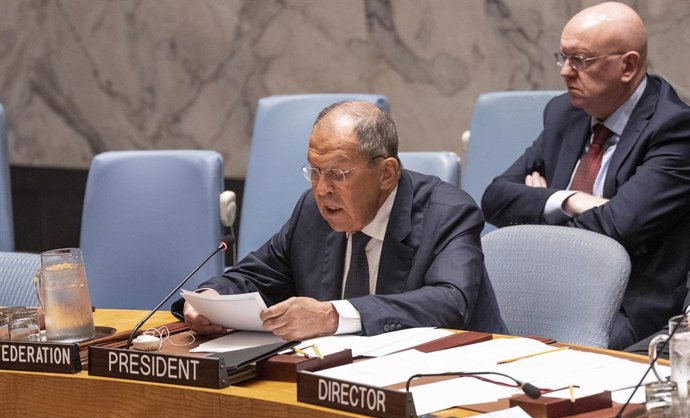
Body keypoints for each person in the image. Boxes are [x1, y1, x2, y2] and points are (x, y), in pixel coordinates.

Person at [174, 101, 507, 340]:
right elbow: (258, 274)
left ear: (386, 174)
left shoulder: (447, 213)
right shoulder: (312, 212)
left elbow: (450, 302)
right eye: (315, 171)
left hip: (451, 381)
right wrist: (211, 298)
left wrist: (334, 316)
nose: (321, 189)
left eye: (338, 174)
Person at [480, 2, 690, 350]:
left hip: (626, 306)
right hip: (547, 287)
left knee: (556, 371)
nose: (565, 71)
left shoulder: (675, 129)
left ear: (628, 65)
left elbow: (618, 227)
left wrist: (542, 210)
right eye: (562, 57)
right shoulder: (565, 113)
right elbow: (495, 198)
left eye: (581, 60)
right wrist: (569, 199)